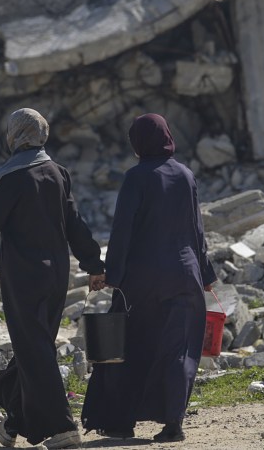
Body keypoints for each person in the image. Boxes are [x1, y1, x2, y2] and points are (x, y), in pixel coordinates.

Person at [0, 108, 106, 449]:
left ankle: (63, 428)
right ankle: (12, 426)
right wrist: (93, 264)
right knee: (34, 348)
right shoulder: (58, 172)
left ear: (15, 134)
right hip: (56, 276)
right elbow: (75, 224)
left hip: (24, 277)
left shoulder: (12, 177)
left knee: (33, 348)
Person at [81, 113, 217, 443]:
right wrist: (207, 274)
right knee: (177, 350)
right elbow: (196, 231)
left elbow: (122, 230)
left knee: (129, 347)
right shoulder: (186, 175)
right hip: (184, 277)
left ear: (137, 143)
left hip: (140, 282)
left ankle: (120, 423)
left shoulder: (136, 177)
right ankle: (172, 424)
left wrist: (108, 274)